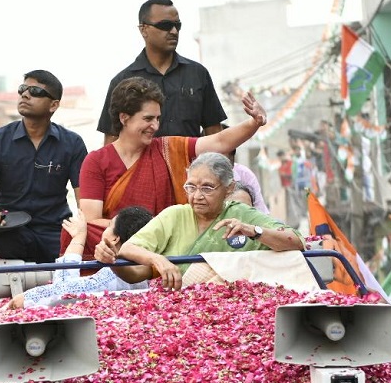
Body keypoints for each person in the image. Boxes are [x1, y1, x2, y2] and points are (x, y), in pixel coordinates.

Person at [68, 77, 267, 264]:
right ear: (124, 117)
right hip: (118, 252)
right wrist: (142, 234)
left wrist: (254, 122)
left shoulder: (167, 148)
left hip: (169, 248)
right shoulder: (96, 161)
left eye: (157, 118)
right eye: (147, 118)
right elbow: (93, 221)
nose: (155, 126)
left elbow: (219, 141)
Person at [94, 152, 305, 291]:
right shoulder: (174, 215)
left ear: (229, 189)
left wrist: (255, 231)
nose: (197, 196)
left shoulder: (242, 215)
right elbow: (131, 254)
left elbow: (295, 241)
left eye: (207, 188)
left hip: (231, 310)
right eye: (191, 187)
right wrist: (156, 260)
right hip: (178, 312)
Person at [0, 70, 88, 263]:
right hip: (10, 231)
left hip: (56, 232)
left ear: (54, 105)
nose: (25, 94)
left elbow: (84, 199)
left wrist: (82, 232)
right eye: (22, 89)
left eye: (35, 91)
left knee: (60, 285)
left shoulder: (72, 143)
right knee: (10, 255)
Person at [97, 0, 226, 145]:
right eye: (165, 25)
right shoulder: (123, 82)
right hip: (141, 167)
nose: (174, 31)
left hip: (191, 166)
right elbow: (111, 141)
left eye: (177, 26)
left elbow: (215, 134)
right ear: (144, 29)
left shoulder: (197, 74)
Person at [3, 206, 153, 309]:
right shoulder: (155, 269)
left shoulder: (116, 275)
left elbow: (63, 291)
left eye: (108, 226)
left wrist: (79, 239)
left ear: (114, 239)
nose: (104, 230)